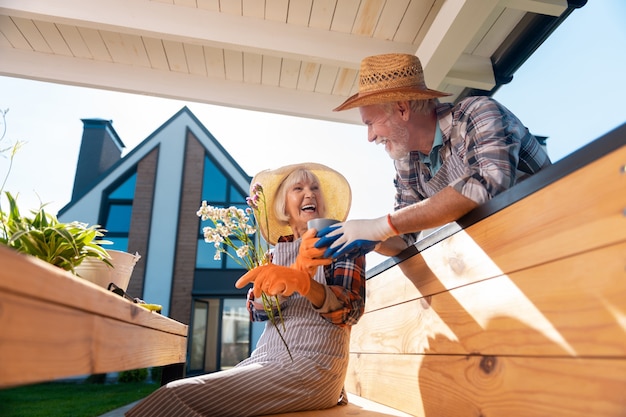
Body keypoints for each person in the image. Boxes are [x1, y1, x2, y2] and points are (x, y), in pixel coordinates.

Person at [125, 162, 366, 417]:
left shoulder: (341, 244)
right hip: (266, 358)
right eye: (299, 188)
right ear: (283, 206)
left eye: (315, 187)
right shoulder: (273, 256)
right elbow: (257, 312)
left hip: (315, 368)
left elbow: (349, 311)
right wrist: (278, 290)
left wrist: (303, 283)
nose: (310, 193)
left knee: (173, 396)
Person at [317, 53, 551, 259]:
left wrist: (381, 226)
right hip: (505, 252)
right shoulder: (406, 162)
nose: (370, 137)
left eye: (371, 123)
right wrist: (371, 239)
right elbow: (405, 237)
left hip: (553, 230)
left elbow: (485, 187)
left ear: (402, 109)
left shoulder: (477, 114)